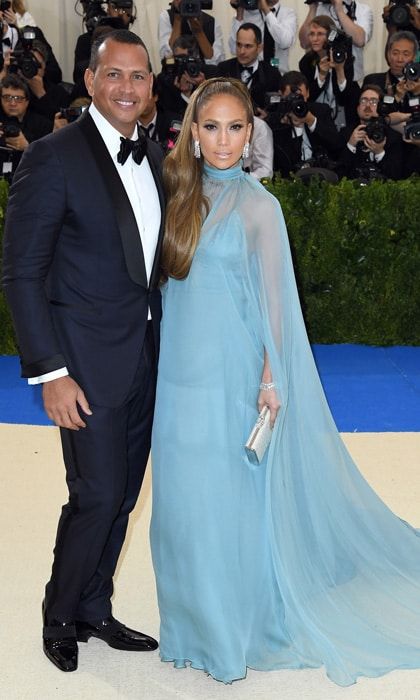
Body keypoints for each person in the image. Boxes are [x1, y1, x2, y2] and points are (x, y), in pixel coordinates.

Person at [150, 75, 420, 686]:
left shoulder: (259, 206)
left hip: (233, 375)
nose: (223, 141)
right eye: (211, 126)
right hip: (175, 376)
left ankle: (230, 632)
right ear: (193, 131)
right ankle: (189, 624)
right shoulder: (173, 193)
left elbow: (277, 304)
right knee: (180, 507)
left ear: (252, 135)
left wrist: (272, 378)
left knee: (226, 504)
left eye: (236, 128)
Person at [2, 29, 165, 674]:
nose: (128, 87)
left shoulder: (151, 157)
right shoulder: (53, 156)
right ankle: (60, 613)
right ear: (91, 82)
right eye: (115, 75)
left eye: (139, 77)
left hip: (145, 357)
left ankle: (96, 607)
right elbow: (20, 274)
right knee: (95, 493)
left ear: (152, 88)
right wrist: (51, 372)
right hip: (84, 366)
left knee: (123, 493)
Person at [265, 71, 340, 177]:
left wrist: (311, 121)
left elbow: (336, 144)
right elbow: (276, 161)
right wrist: (287, 125)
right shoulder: (276, 120)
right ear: (281, 95)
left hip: (321, 174)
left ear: (308, 93)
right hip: (288, 179)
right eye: (291, 98)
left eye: (300, 98)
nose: (297, 103)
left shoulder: (321, 111)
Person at [298, 14, 360, 129]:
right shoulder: (306, 62)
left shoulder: (342, 57)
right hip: (315, 118)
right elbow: (308, 97)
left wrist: (339, 69)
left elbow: (344, 98)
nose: (315, 39)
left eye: (320, 34)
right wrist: (321, 75)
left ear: (331, 36)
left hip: (342, 118)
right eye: (312, 34)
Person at [336, 84, 403, 179]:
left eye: (373, 101)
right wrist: (350, 145)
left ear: (381, 107)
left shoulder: (392, 137)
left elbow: (395, 176)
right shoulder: (346, 133)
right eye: (363, 100)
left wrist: (379, 152)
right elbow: (338, 174)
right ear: (358, 108)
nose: (368, 105)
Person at [298, 0, 373, 82]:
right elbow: (304, 43)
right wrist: (312, 9)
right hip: (319, 77)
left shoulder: (362, 10)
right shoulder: (317, 8)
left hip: (349, 80)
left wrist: (339, 10)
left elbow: (360, 40)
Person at [217, 23, 281, 113]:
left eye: (248, 46)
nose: (242, 51)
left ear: (259, 48)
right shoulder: (223, 69)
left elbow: (277, 108)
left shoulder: (272, 74)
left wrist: (267, 117)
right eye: (239, 45)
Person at [228, 0, 297, 74]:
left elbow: (285, 42)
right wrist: (239, 10)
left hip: (279, 75)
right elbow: (233, 49)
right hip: (253, 77)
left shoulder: (287, 13)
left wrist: (266, 10)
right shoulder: (247, 14)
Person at [159, 0, 225, 66]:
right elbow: (167, 56)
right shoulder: (166, 16)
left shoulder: (212, 22)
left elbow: (216, 62)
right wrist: (177, 17)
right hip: (177, 72)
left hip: (204, 73)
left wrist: (199, 32)